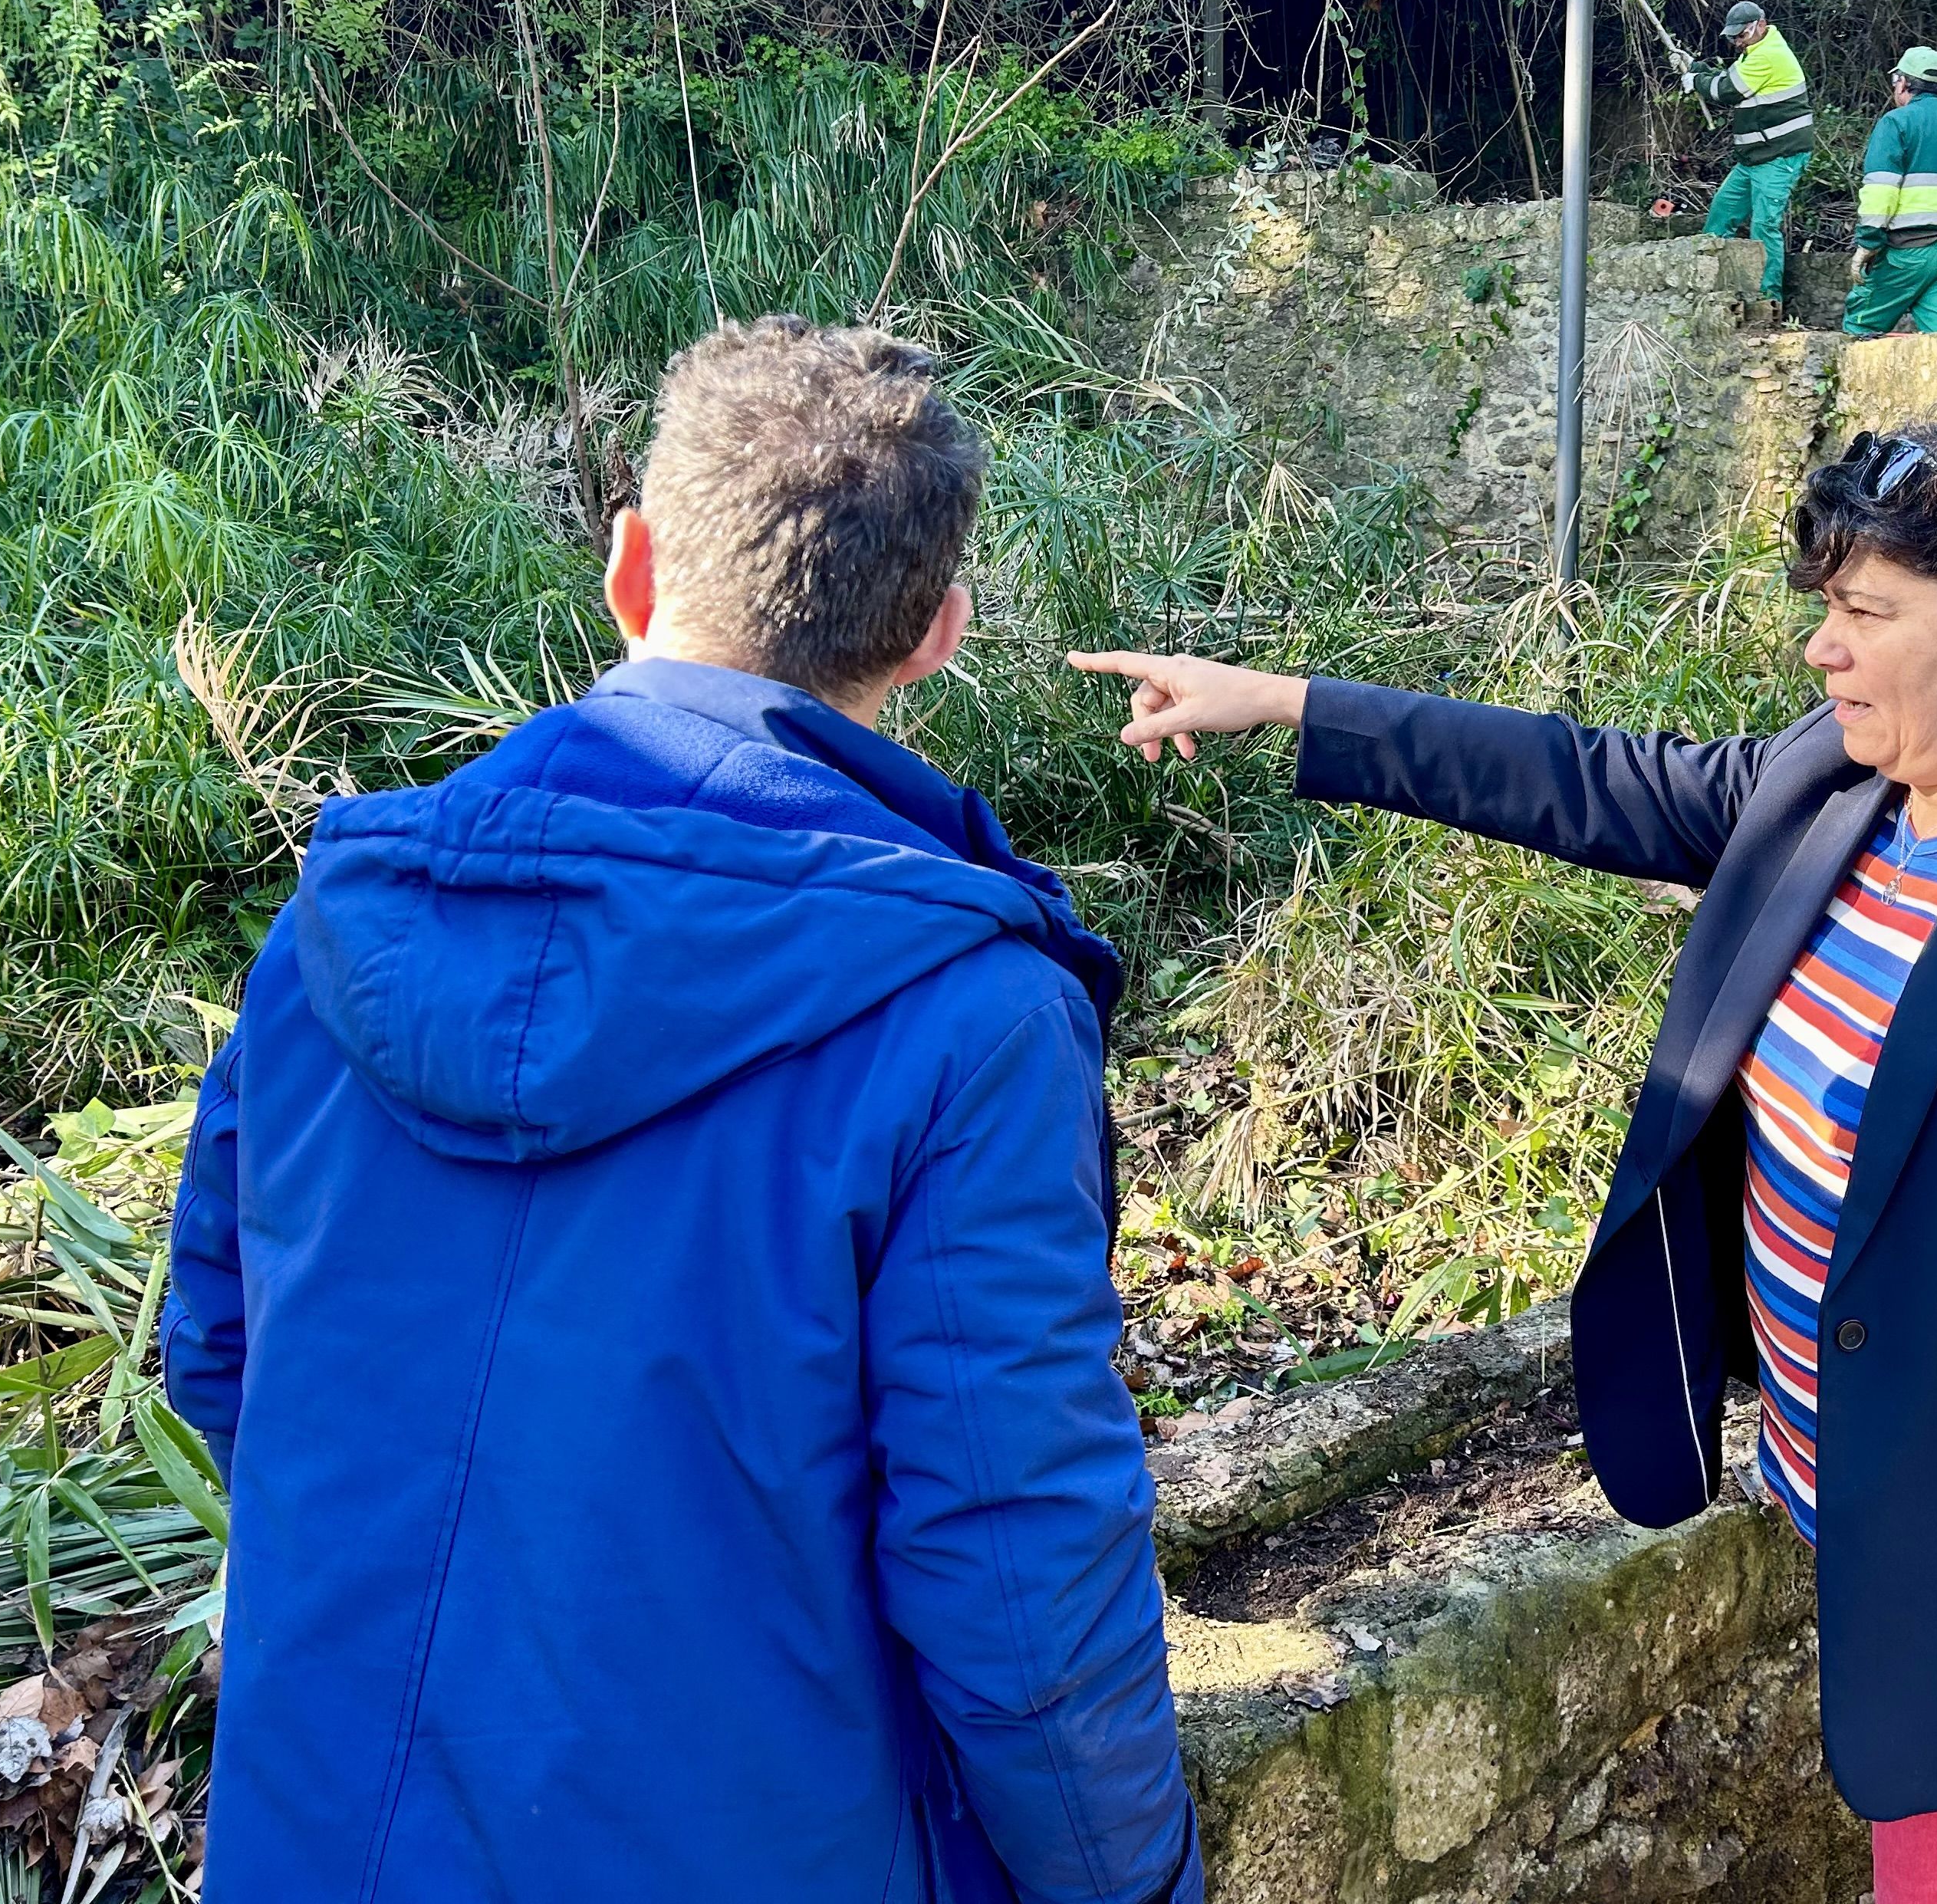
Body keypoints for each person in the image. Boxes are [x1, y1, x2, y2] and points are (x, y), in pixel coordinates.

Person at [1074, 405, 1937, 1904]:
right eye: (1829, 611)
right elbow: (1591, 777)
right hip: (1866, 1501)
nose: (1825, 650)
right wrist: (1286, 702)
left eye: (1868, 616)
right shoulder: (1841, 786)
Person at [162, 316, 1201, 1902]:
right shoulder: (967, 1016)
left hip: (326, 1833)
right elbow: (1014, 1570)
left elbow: (226, 1356)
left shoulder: (334, 933)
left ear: (631, 568)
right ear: (936, 631)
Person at [1843, 46, 1937, 340]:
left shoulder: (1896, 123)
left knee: (1860, 331)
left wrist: (1869, 243)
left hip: (1907, 251)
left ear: (1903, 82)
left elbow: (1881, 191)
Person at [1694, 0, 1816, 304]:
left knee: (1765, 225)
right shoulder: (1757, 51)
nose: (1737, 42)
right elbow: (1729, 81)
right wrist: (1701, 72)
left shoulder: (1770, 56)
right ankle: (1706, 283)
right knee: (1721, 214)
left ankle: (1768, 298)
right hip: (1756, 158)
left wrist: (1695, 80)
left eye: (1742, 35)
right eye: (1733, 37)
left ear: (1761, 25)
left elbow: (1727, 91)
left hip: (1779, 156)